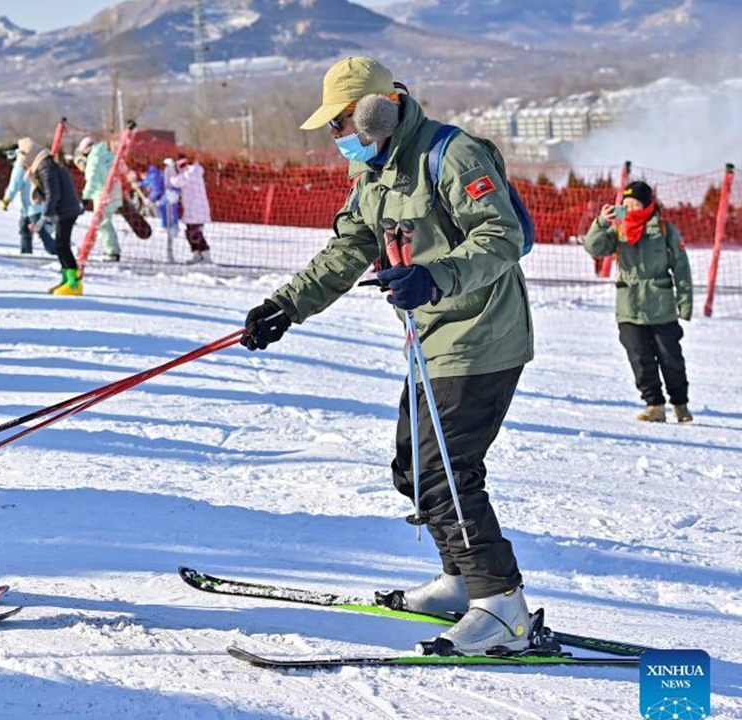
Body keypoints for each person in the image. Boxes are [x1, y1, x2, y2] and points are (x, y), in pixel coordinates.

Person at [241, 57, 535, 656]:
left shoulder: (450, 155)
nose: (337, 136)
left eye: (342, 122)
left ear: (377, 110)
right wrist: (285, 306)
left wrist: (435, 276)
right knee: (414, 469)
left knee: (446, 471)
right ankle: (461, 579)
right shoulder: (374, 173)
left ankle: (503, 606)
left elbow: (501, 237)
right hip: (431, 341)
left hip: (480, 335)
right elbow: (348, 248)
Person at [583, 181, 693, 423]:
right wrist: (601, 222)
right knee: (638, 357)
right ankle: (654, 405)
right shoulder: (618, 230)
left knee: (670, 356)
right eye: (625, 204)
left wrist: (685, 304)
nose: (629, 208)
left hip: (661, 305)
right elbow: (593, 246)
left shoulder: (665, 230)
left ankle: (680, 404)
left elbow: (682, 268)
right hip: (629, 306)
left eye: (635, 204)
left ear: (647, 205)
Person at [17, 137, 84, 295]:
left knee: (62, 245)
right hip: (65, 209)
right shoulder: (44, 164)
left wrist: (45, 217)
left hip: (66, 210)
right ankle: (67, 279)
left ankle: (74, 283)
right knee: (61, 245)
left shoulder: (46, 167)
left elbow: (52, 194)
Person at [74, 136, 122, 262]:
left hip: (102, 194)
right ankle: (111, 249)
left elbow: (92, 179)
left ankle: (112, 251)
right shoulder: (109, 154)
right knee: (105, 222)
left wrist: (85, 197)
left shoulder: (93, 159)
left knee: (102, 223)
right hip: (115, 192)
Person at [1, 149, 54, 255]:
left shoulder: (20, 166)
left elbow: (15, 184)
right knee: (24, 227)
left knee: (40, 229)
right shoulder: (31, 163)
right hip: (30, 205)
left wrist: (7, 199)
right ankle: (26, 251)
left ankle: (54, 250)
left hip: (33, 205)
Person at [168, 154, 212, 263]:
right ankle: (197, 254)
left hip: (196, 210)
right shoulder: (191, 172)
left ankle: (205, 255)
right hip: (192, 209)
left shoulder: (193, 172)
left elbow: (176, 182)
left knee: (194, 233)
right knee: (190, 233)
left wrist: (172, 171)